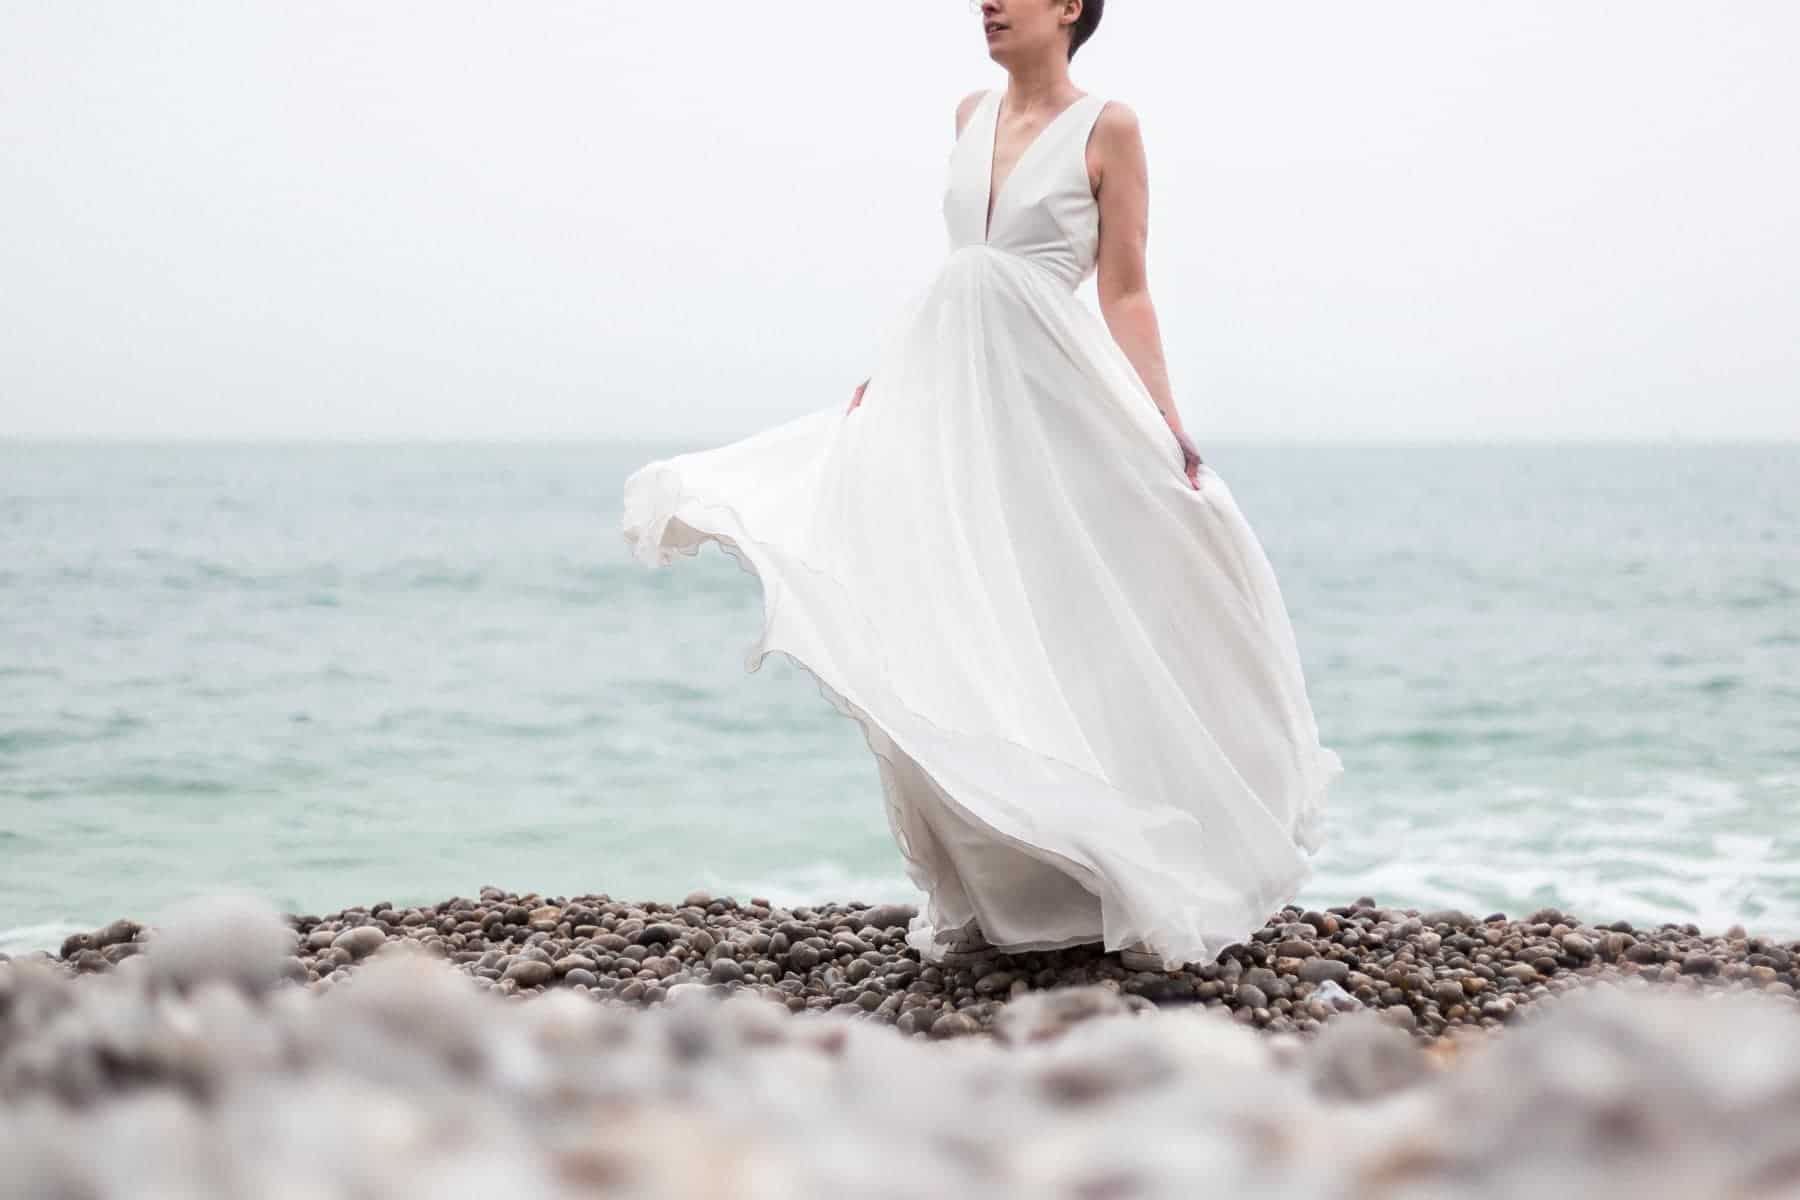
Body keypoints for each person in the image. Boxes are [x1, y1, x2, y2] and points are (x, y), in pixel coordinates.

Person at [621, 0, 1342, 973]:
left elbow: (1125, 286)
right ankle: (1008, 877)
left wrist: (1167, 428)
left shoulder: (1110, 126)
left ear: (1071, 8)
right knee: (958, 607)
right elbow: (958, 272)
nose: (988, 5)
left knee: (1075, 608)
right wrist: (888, 377)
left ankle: (1140, 848)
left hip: (1054, 392)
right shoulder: (969, 114)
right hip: (952, 386)